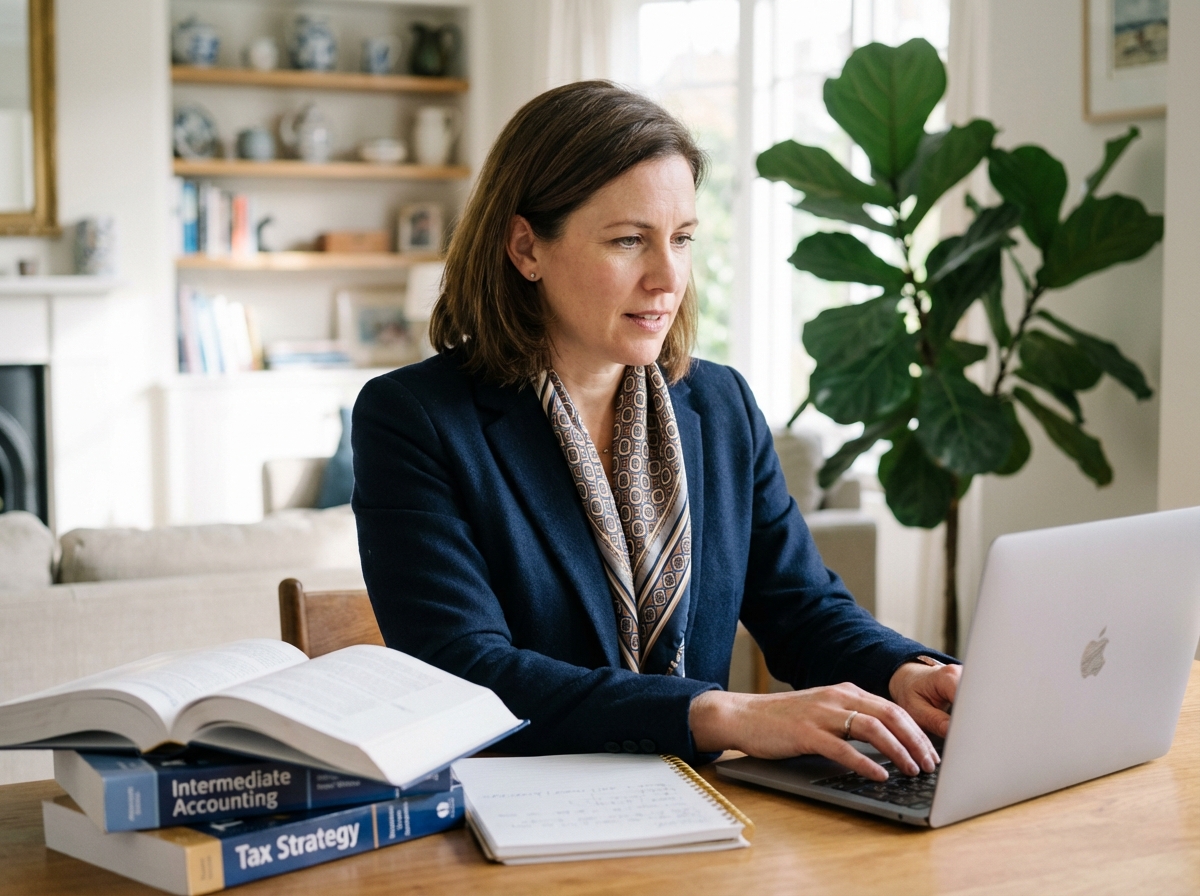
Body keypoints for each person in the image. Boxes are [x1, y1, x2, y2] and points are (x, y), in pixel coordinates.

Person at [352, 81, 960, 781]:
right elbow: (468, 673)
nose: (668, 278)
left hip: (703, 809)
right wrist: (723, 714)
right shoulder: (415, 420)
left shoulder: (720, 404)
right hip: (517, 821)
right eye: (629, 240)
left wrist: (904, 670)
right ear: (526, 248)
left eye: (682, 239)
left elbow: (802, 607)